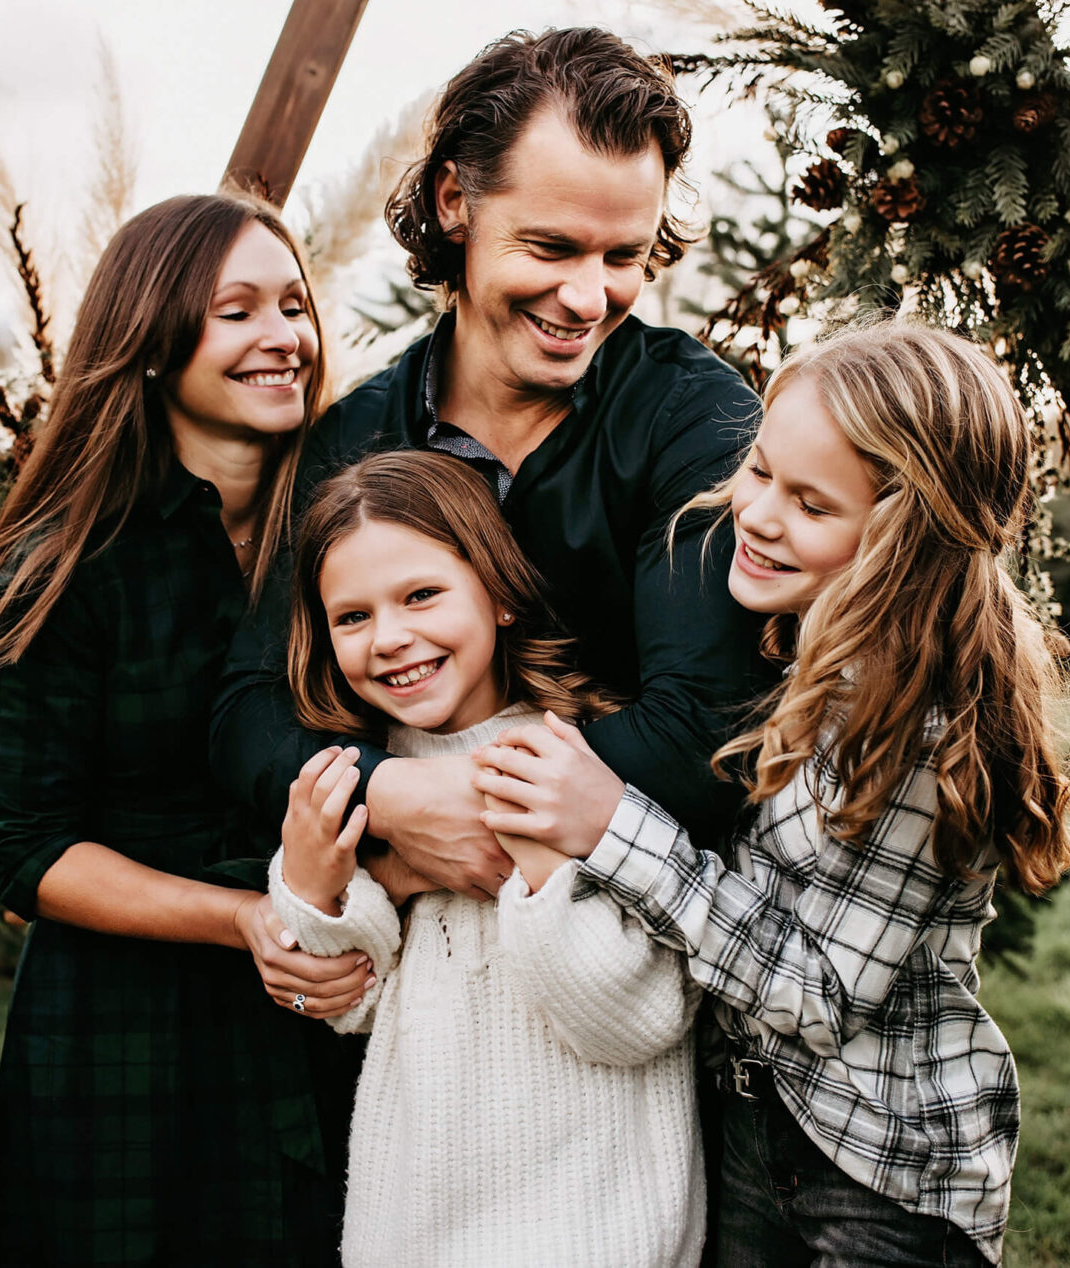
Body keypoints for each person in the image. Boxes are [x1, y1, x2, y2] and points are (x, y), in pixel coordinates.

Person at [472, 323, 1070, 1267]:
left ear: (902, 538)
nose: (755, 515)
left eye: (810, 503)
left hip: (879, 1171)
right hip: (750, 1125)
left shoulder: (914, 724)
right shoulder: (791, 638)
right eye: (759, 470)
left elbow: (818, 995)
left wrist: (614, 825)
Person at [211, 27, 772, 899]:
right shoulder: (355, 443)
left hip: (639, 954)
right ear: (452, 202)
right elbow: (250, 710)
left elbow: (705, 732)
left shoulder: (697, 419)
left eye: (623, 256)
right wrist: (392, 796)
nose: (589, 299)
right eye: (550, 249)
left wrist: (456, 811)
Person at [0, 193, 368, 1266]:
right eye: (237, 311)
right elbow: (24, 846)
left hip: (320, 999)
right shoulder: (65, 564)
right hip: (122, 1028)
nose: (283, 336)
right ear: (150, 343)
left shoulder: (347, 531)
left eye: (292, 304)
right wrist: (244, 917)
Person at [267, 449, 704, 1267]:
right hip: (412, 1224)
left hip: (590, 1229)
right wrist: (314, 887)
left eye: (422, 595)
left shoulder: (583, 766)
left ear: (500, 596)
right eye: (352, 617)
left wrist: (540, 871)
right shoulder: (365, 778)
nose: (391, 639)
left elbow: (640, 1022)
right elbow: (345, 1007)